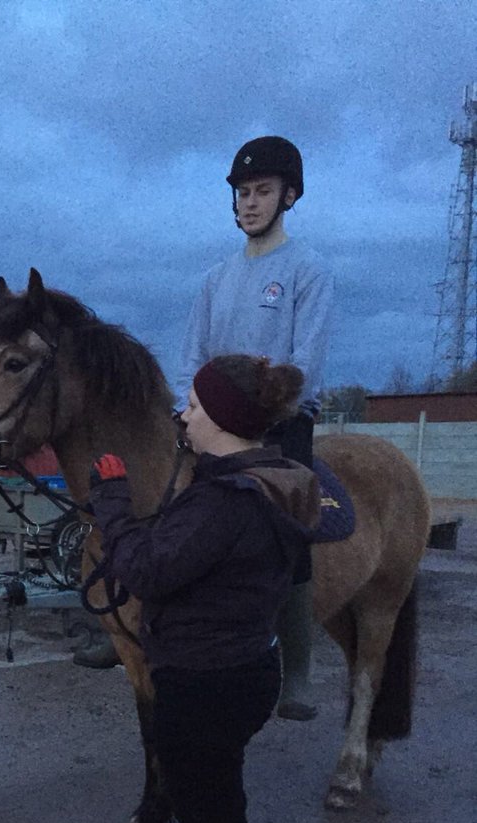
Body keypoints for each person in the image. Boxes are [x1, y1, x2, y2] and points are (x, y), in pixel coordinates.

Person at [88, 355, 321, 823]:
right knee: (219, 806)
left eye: (192, 405)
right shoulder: (277, 481)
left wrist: (111, 502)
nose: (183, 415)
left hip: (203, 683)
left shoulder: (224, 501)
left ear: (220, 418)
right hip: (246, 667)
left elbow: (145, 570)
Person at [173, 136, 334, 719]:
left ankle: (298, 671)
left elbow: (304, 363)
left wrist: (251, 413)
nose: (249, 202)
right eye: (243, 192)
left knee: (291, 525)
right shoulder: (216, 278)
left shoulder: (308, 271)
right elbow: (195, 354)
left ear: (289, 195)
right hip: (215, 419)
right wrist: (193, 411)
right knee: (164, 500)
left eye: (262, 191)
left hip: (279, 422)